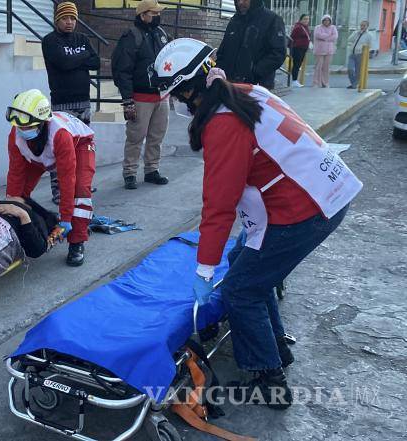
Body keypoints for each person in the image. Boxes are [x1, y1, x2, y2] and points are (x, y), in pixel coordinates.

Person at [155, 38, 362, 409]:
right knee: (246, 266)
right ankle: (276, 349)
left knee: (239, 290)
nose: (179, 103)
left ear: (190, 90)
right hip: (323, 192)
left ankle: (270, 379)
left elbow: (219, 206)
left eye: (178, 94)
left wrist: (203, 270)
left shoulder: (223, 124)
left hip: (304, 209)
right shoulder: (245, 93)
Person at [5, 89, 95, 266]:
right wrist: (11, 204)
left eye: (27, 126)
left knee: (80, 190)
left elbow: (66, 180)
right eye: (19, 126)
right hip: (40, 152)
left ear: (41, 123)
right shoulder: (16, 135)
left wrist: (67, 218)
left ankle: (77, 242)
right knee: (19, 193)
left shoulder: (60, 134)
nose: (22, 130)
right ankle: (43, 224)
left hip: (79, 147)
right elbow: (15, 173)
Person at [42, 1, 101, 203]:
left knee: (83, 148)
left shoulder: (82, 38)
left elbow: (97, 61)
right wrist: (82, 57)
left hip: (83, 102)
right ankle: (59, 191)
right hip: (61, 106)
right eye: (65, 18)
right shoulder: (50, 40)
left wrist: (77, 60)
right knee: (59, 150)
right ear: (57, 19)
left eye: (73, 18)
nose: (69, 22)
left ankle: (81, 185)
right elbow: (64, 63)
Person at [111, 0, 171, 190]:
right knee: (136, 137)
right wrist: (127, 100)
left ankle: (152, 170)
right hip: (140, 98)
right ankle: (129, 173)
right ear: (142, 15)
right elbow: (122, 70)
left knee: (156, 137)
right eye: (154, 13)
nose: (158, 16)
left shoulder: (161, 34)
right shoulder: (131, 36)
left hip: (162, 96)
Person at [216, 0, 286, 90]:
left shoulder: (272, 19)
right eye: (237, 0)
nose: (240, 3)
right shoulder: (235, 20)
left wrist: (254, 72)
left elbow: (278, 53)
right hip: (229, 84)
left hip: (257, 86)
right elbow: (223, 49)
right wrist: (220, 69)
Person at [312, 15, 338, 88]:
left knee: (326, 67)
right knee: (318, 67)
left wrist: (325, 37)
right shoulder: (318, 27)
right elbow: (318, 35)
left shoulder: (333, 27)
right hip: (319, 50)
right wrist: (328, 36)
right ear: (322, 21)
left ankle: (325, 83)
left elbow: (335, 36)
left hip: (329, 50)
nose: (327, 21)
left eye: (328, 20)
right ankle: (316, 83)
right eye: (325, 20)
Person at [347, 20, 373, 89]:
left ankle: (354, 85)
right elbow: (349, 39)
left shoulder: (369, 35)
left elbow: (370, 45)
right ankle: (354, 82)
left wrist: (367, 53)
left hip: (361, 54)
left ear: (367, 26)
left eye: (364, 25)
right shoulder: (356, 32)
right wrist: (356, 33)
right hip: (352, 53)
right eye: (361, 25)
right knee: (350, 69)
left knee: (358, 71)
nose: (362, 27)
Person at [289, 14, 311, 87]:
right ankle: (294, 81)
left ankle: (295, 80)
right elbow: (292, 37)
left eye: (307, 19)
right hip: (297, 48)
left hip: (303, 48)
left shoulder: (306, 27)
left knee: (298, 65)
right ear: (301, 20)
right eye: (304, 19)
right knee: (296, 64)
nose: (306, 20)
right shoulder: (298, 27)